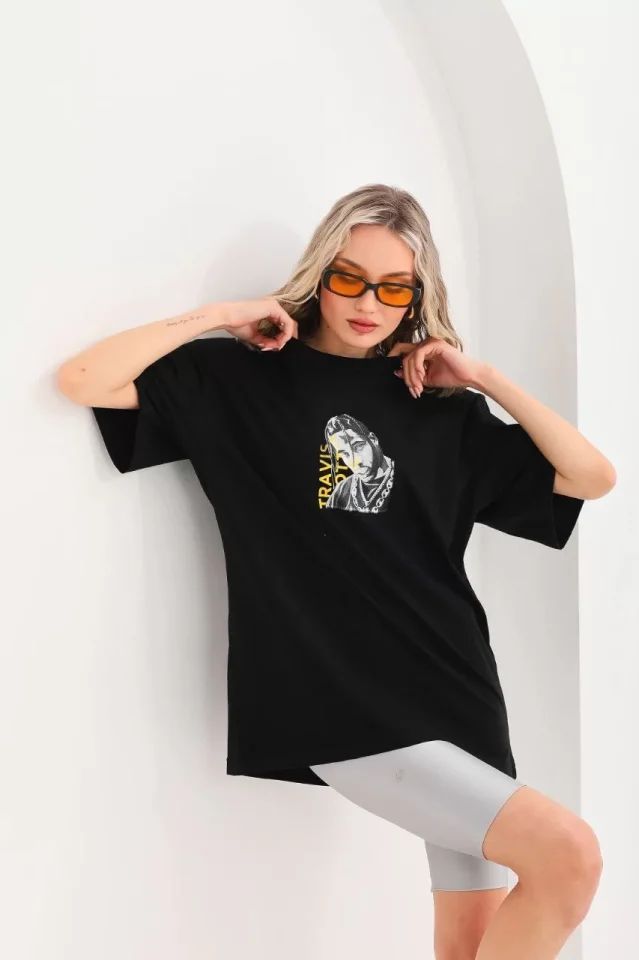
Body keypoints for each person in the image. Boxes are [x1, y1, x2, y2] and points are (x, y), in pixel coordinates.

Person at [57, 183, 614, 959]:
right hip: (334, 695)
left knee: (469, 942)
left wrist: (484, 378)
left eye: (394, 288)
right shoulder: (239, 380)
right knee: (568, 856)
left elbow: (590, 477)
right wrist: (221, 314)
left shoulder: (439, 407)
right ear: (319, 273)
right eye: (349, 278)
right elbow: (85, 380)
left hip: (455, 687)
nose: (367, 303)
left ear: (417, 297)